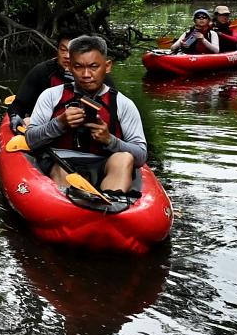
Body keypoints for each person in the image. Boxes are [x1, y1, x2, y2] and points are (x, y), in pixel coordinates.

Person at [24, 35, 148, 204]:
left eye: (94, 67)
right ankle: (69, 206)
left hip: (104, 166)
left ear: (107, 66)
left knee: (124, 158)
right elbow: (31, 141)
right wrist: (59, 124)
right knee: (61, 169)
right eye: (79, 67)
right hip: (61, 162)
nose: (86, 74)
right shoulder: (51, 96)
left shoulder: (124, 104)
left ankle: (110, 205)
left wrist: (110, 140)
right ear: (69, 66)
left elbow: (140, 156)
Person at [9, 26, 83, 117]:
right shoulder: (42, 71)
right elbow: (18, 104)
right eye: (63, 50)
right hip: (44, 124)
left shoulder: (94, 76)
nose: (67, 56)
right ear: (57, 50)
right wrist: (14, 116)